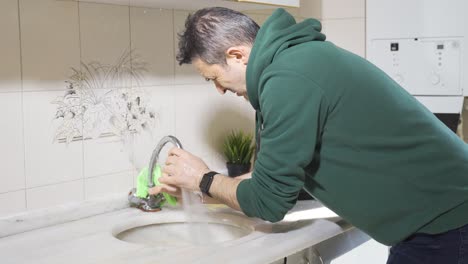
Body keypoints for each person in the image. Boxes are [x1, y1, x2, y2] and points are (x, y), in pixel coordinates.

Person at [148, 7, 468, 264]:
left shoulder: (287, 78)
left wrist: (204, 178)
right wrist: (200, 190)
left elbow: (269, 202)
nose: (218, 90)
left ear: (236, 55)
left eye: (213, 78)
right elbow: (268, 177)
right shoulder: (294, 62)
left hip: (443, 221)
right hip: (438, 216)